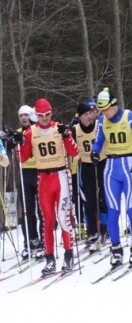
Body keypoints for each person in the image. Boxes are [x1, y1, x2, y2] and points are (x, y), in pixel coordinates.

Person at [16, 98, 79, 275]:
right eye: (41, 115)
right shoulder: (30, 132)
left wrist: (67, 135)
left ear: (51, 113)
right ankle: (49, 258)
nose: (44, 118)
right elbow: (23, 158)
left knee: (63, 216)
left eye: (47, 115)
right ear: (36, 115)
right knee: (48, 221)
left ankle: (68, 255)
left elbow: (75, 152)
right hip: (43, 178)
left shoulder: (59, 128)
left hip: (61, 176)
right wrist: (19, 142)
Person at [91, 87, 132, 268]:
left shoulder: (130, 117)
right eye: (102, 110)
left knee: (131, 209)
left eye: (107, 109)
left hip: (129, 165)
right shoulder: (101, 121)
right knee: (113, 210)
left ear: (114, 105)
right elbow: (99, 141)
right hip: (111, 167)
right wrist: (94, 151)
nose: (105, 113)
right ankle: (116, 249)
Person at [72, 100, 107, 252]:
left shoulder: (99, 125)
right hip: (86, 167)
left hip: (102, 163)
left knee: (104, 199)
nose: (88, 117)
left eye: (89, 114)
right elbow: (71, 147)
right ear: (79, 117)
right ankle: (92, 232)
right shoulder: (75, 129)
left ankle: (106, 229)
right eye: (85, 115)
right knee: (90, 202)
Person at [12, 106, 44, 260]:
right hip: (25, 174)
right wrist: (10, 141)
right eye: (21, 116)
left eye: (26, 115)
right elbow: (14, 152)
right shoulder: (18, 132)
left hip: (39, 171)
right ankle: (30, 241)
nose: (24, 118)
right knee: (27, 211)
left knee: (42, 210)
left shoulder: (37, 129)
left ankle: (43, 242)